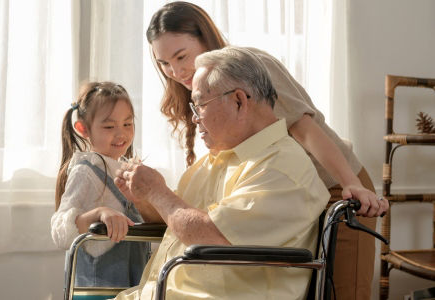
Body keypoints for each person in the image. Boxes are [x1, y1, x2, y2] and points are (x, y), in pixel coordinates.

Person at [144, 2, 388, 299]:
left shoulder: (251, 67)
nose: (176, 70)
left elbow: (305, 129)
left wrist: (351, 183)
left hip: (335, 182)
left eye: (181, 56)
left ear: (205, 39)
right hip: (280, 192)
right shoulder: (203, 83)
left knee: (343, 293)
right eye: (164, 63)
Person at [112, 46, 330, 300]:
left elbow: (212, 237)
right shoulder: (214, 161)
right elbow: (175, 221)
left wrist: (156, 191)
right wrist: (143, 198)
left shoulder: (282, 165)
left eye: (199, 105)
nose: (194, 119)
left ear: (239, 101)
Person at [51, 81, 149, 287]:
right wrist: (99, 214)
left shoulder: (127, 171)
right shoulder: (85, 171)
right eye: (109, 126)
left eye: (128, 124)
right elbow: (60, 229)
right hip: (98, 285)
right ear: (83, 129)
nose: (121, 133)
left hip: (133, 282)